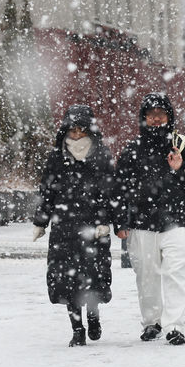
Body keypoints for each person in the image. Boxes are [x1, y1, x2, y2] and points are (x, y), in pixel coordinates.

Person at [114, 92, 185, 345]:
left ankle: (174, 325)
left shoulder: (182, 145)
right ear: (143, 118)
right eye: (151, 115)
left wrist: (181, 168)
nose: (156, 120)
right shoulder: (133, 149)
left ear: (169, 116)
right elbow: (119, 187)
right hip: (141, 223)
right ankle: (151, 322)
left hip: (175, 221)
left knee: (175, 272)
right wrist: (120, 221)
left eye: (161, 114)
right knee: (146, 275)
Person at [33, 105, 117, 347]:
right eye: (73, 130)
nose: (77, 134)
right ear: (65, 131)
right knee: (66, 281)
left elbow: (108, 192)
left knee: (92, 278)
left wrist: (104, 220)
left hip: (93, 227)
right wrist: (42, 221)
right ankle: (77, 329)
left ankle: (93, 317)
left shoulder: (101, 156)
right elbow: (47, 192)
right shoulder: (57, 158)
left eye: (82, 130)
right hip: (64, 227)